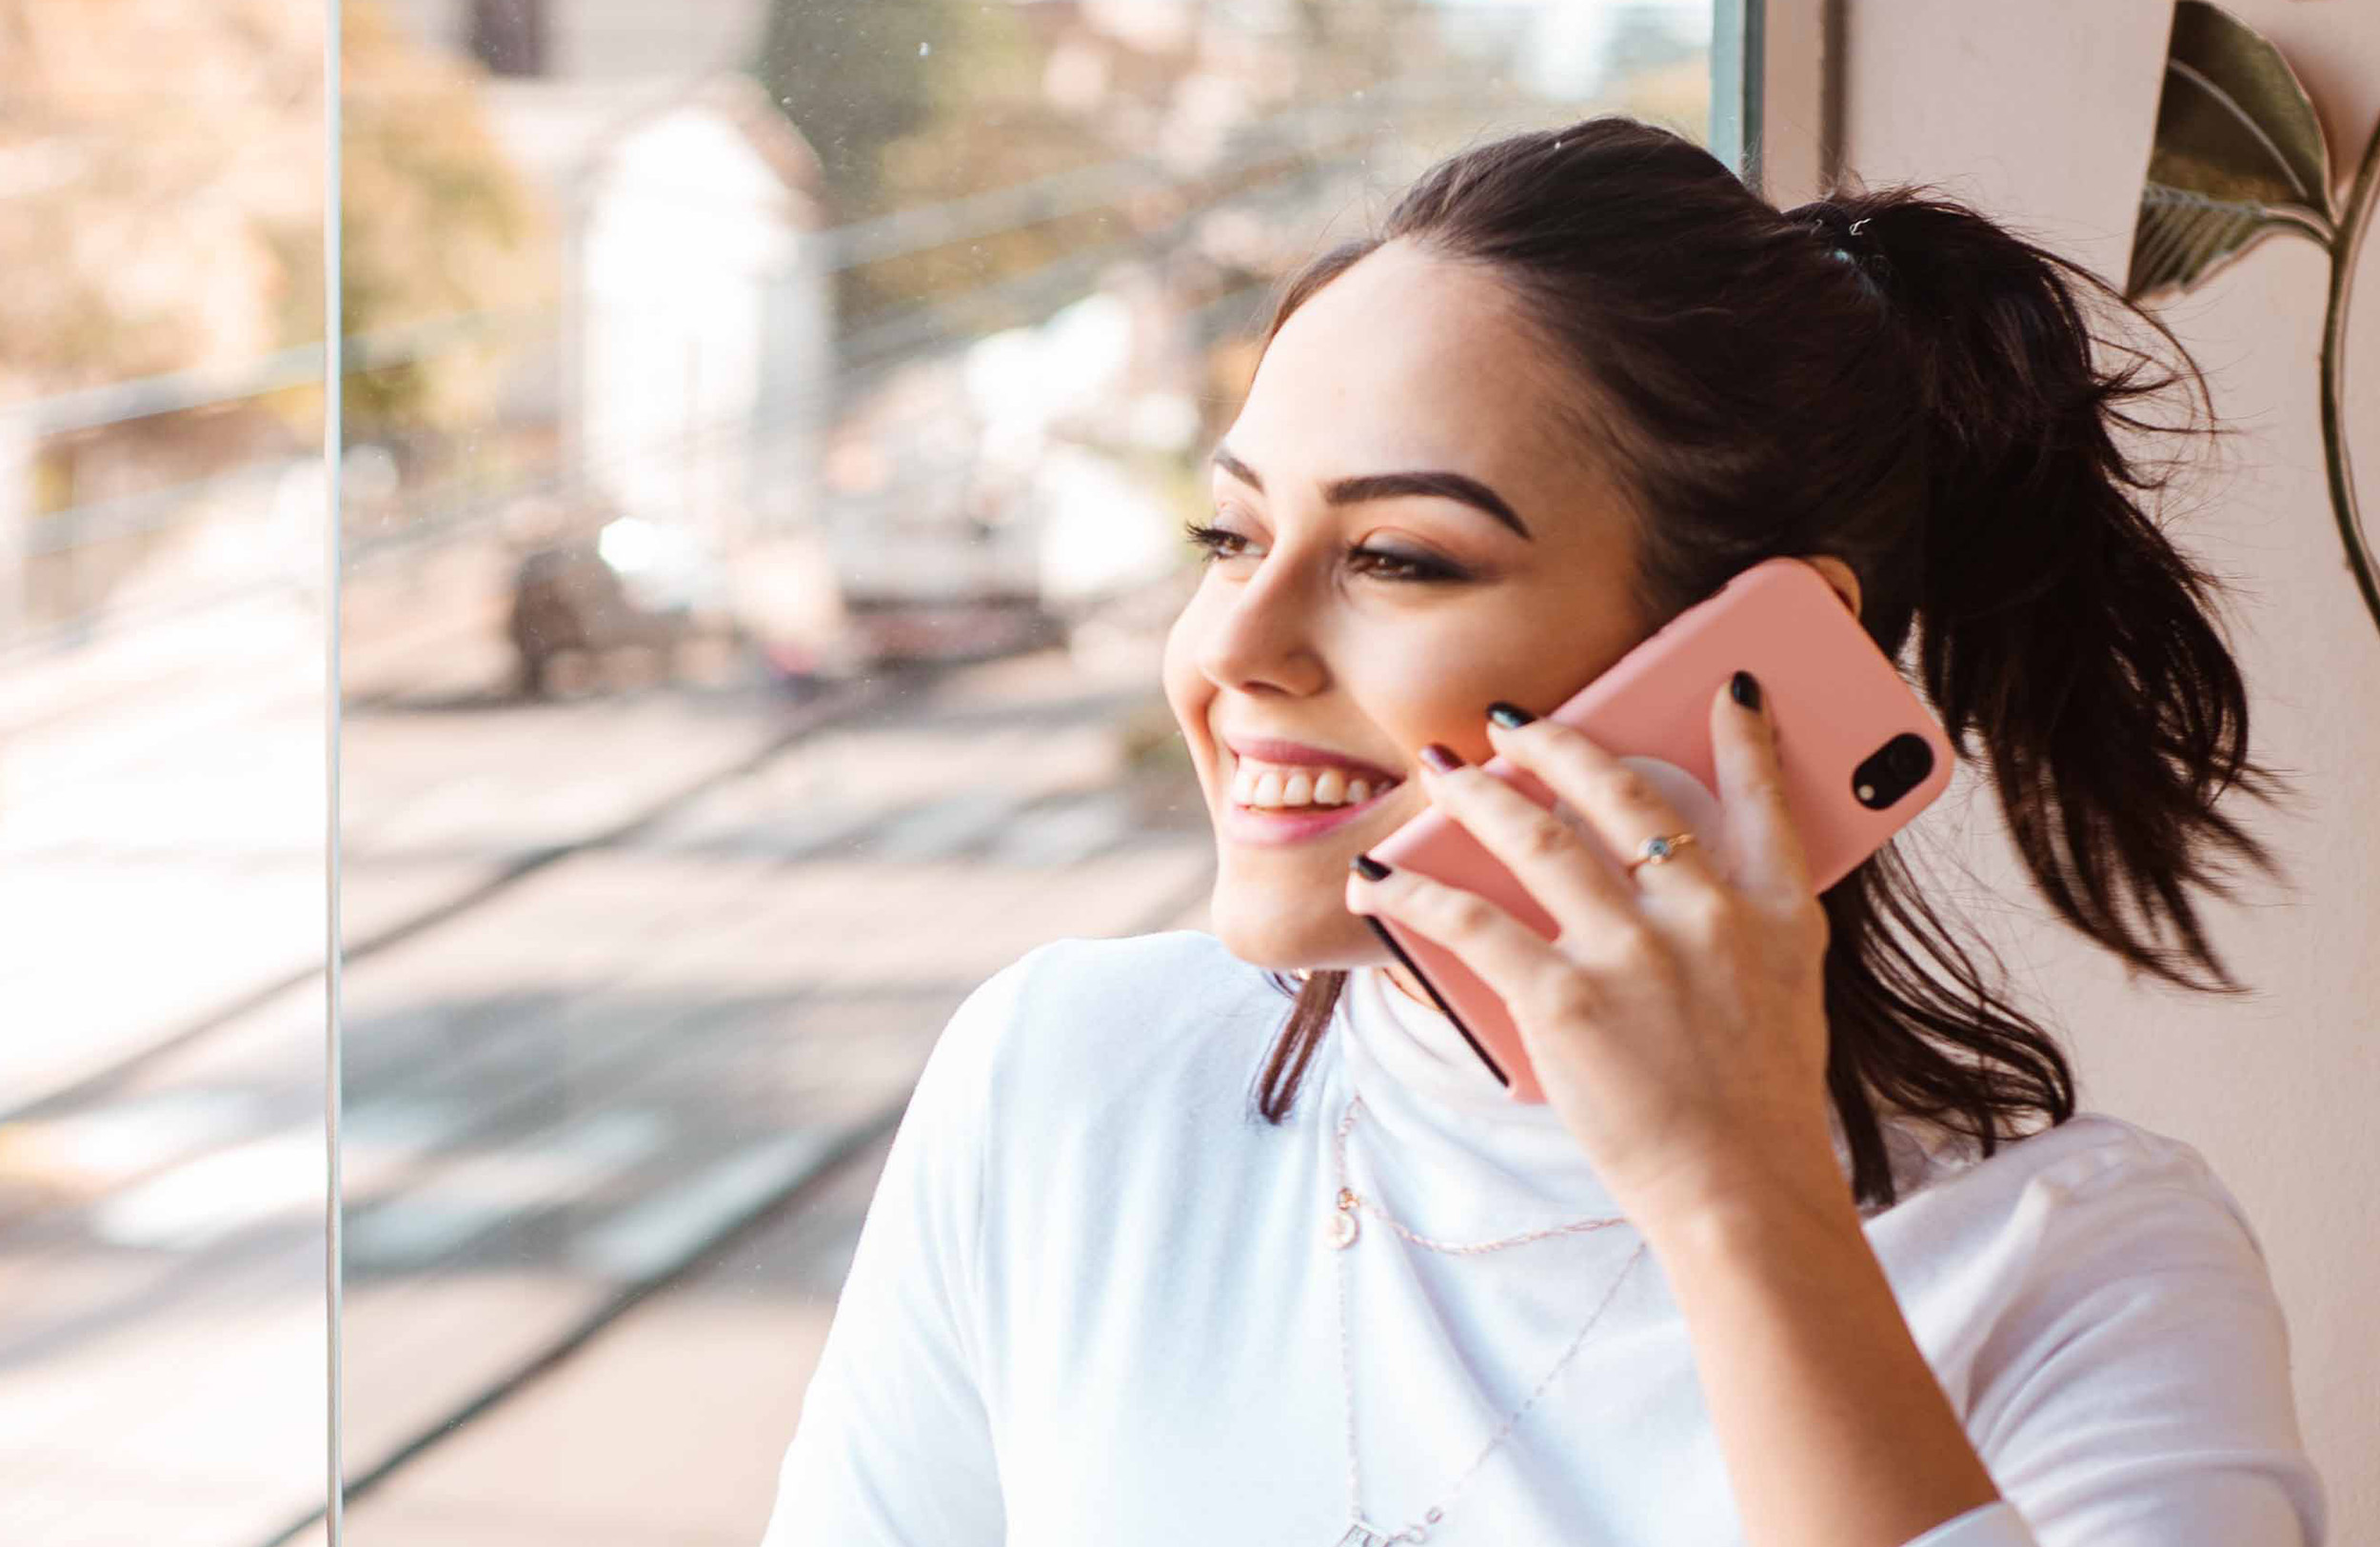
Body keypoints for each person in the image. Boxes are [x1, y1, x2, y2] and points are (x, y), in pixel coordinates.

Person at [760, 116, 2329, 1545]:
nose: (1236, 645)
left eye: (1398, 559)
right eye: (1229, 534)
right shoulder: (1066, 1083)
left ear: (1754, 668)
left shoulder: (2089, 1274)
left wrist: (1736, 1202)